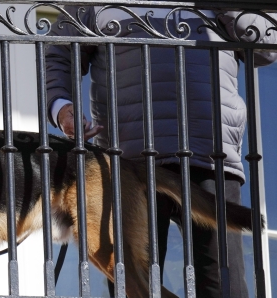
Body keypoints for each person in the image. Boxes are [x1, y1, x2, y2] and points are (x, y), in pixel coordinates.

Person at [45, 5, 277, 298]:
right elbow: (59, 54)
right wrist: (62, 107)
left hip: (210, 154)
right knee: (135, 284)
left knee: (222, 283)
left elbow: (266, 49)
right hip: (129, 161)